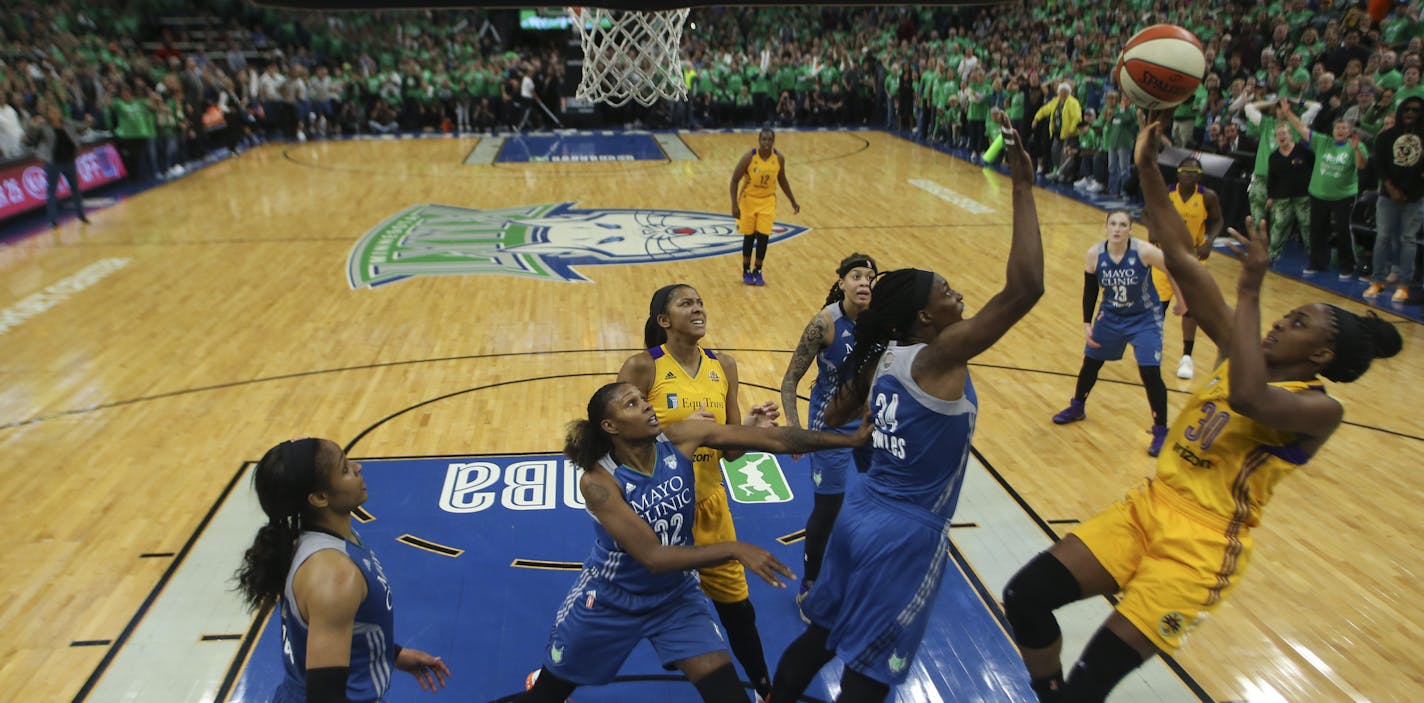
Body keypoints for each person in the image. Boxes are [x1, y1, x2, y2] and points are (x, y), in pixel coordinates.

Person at [1001, 113, 1402, 703]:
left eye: (1298, 323)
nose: (1283, 322)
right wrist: (1146, 168)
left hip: (1203, 548)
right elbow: (1182, 258)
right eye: (1288, 313)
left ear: (1320, 353)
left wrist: (1248, 291)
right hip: (1150, 505)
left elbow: (1247, 399)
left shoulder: (1321, 408)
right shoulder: (1242, 352)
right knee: (1025, 596)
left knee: (1094, 680)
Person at [770, 112, 1044, 703]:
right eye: (947, 293)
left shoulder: (881, 357)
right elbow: (1025, 290)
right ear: (926, 316)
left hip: (861, 513)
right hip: (906, 534)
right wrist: (1022, 186)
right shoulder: (940, 355)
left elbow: (837, 415)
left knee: (818, 639)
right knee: (868, 679)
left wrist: (868, 435)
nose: (960, 296)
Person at [517, 382, 871, 703]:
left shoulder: (680, 437)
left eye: (643, 399)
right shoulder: (599, 481)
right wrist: (734, 548)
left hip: (676, 598)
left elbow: (775, 441)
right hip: (612, 600)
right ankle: (545, 683)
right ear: (611, 427)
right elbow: (653, 557)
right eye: (631, 404)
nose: (646, 406)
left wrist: (847, 439)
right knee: (547, 696)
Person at [619, 284, 781, 700]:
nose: (697, 309)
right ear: (664, 320)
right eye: (685, 303)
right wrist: (680, 433)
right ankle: (556, 676)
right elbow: (618, 444)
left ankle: (765, 689)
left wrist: (751, 429)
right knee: (619, 610)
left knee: (738, 609)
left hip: (709, 507)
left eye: (700, 302)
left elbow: (730, 451)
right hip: (657, 510)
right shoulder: (643, 367)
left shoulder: (723, 365)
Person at [235, 438, 451, 703]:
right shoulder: (335, 576)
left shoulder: (314, 538)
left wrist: (392, 654)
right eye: (345, 469)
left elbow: (330, 630)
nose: (358, 467)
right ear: (319, 497)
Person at [777, 253, 878, 614]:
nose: (865, 282)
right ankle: (811, 581)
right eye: (857, 276)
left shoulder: (883, 322)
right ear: (841, 283)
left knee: (880, 500)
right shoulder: (824, 323)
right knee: (827, 508)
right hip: (829, 425)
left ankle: (867, 572)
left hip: (873, 423)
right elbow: (790, 380)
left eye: (870, 277)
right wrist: (793, 428)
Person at [1051, 211, 1176, 457]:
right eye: (1113, 224)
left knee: (1150, 371)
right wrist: (1087, 322)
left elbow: (1174, 269)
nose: (1117, 229)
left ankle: (1161, 429)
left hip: (1144, 318)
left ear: (1130, 229)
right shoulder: (1094, 254)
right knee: (1091, 362)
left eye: (1123, 225)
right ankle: (1077, 406)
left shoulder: (1145, 251)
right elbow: (1090, 291)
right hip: (1110, 316)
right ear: (1105, 227)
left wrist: (1181, 300)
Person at [1151, 156, 1222, 380]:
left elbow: (1218, 221)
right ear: (1178, 173)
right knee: (1157, 307)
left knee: (1191, 309)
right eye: (1186, 171)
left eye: (1195, 172)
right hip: (1164, 256)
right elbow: (1149, 210)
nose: (1190, 175)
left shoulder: (1208, 196)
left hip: (1192, 258)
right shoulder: (1166, 192)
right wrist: (1153, 229)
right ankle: (1153, 349)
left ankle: (1187, 357)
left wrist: (1210, 241)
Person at [1281, 107, 1369, 280]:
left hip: (1344, 196)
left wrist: (1357, 149)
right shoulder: (1323, 142)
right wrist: (1288, 112)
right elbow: (1301, 128)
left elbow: (1361, 165)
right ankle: (1317, 263)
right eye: (1338, 128)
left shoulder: (1356, 146)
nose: (1341, 131)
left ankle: (1347, 266)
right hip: (1319, 194)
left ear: (1350, 131)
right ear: (1333, 131)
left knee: (1343, 231)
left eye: (1344, 128)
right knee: (1317, 230)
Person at [1364, 95, 1424, 303]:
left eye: (1416, 110)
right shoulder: (1386, 136)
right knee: (1382, 238)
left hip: (1415, 198)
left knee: (1408, 240)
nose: (1411, 113)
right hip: (1388, 196)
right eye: (1407, 109)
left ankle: (1404, 285)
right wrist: (1392, 188)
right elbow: (1379, 165)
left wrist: (1407, 191)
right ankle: (1377, 281)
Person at [730, 128, 801, 286]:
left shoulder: (779, 158)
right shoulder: (750, 157)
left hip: (767, 201)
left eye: (769, 140)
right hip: (748, 200)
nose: (766, 143)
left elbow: (782, 180)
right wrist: (734, 204)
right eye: (764, 139)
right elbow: (734, 180)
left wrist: (792, 200)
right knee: (749, 237)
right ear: (759, 140)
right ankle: (746, 270)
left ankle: (758, 270)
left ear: (773, 141)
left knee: (763, 237)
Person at [22, 104, 91, 228]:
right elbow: (31, 135)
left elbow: (82, 126)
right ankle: (53, 220)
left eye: (57, 111)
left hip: (69, 161)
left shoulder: (67, 123)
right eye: (52, 112)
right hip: (53, 163)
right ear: (48, 115)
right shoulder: (43, 127)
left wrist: (89, 121)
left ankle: (81, 215)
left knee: (75, 189)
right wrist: (32, 124)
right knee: (52, 191)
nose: (55, 114)